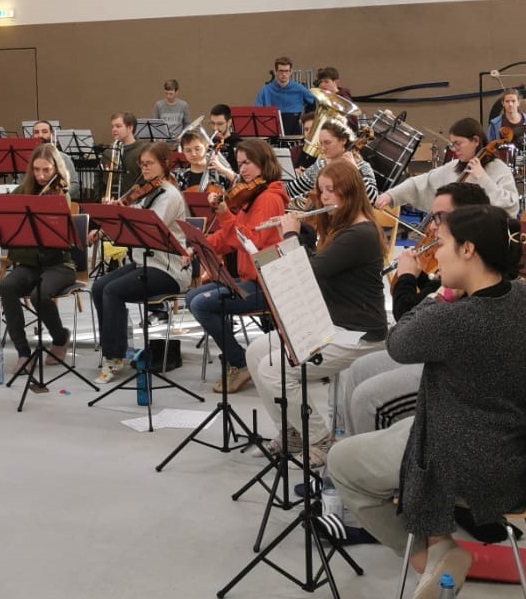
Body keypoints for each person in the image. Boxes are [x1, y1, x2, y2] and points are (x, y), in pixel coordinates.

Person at [330, 204, 526, 594]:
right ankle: (438, 551)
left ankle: (432, 559)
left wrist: (426, 289)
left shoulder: (457, 318)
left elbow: (398, 342)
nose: (437, 254)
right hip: (517, 453)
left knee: (341, 461)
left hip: (465, 460)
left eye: (444, 243)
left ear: (468, 250)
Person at [246, 161, 389, 464]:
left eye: (331, 191)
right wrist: (306, 228)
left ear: (350, 193)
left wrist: (290, 235)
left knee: (274, 370)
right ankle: (293, 431)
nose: (324, 198)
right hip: (330, 322)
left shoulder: (359, 233)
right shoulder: (341, 226)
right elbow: (320, 258)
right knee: (256, 352)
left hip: (358, 334)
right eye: (321, 190)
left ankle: (321, 440)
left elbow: (311, 270)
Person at [334, 182, 490, 438]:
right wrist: (418, 278)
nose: (431, 227)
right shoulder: (456, 266)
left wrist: (406, 277)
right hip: (435, 347)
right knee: (359, 369)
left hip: (451, 369)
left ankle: (361, 467)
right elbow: (428, 300)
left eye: (439, 218)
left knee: (367, 396)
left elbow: (407, 326)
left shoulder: (469, 273)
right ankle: (353, 451)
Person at [186, 139, 286, 393]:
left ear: (264, 163)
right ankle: (239, 360)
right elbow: (228, 237)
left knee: (201, 304)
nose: (242, 169)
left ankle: (240, 363)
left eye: (248, 163)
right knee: (193, 297)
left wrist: (225, 214)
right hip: (251, 280)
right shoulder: (250, 197)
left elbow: (250, 239)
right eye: (240, 163)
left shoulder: (269, 198)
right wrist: (199, 246)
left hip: (269, 284)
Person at [90, 142, 190, 383]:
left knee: (113, 291)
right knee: (99, 286)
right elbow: (132, 215)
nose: (144, 169)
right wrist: (109, 220)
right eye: (142, 164)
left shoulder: (169, 195)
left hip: (169, 269)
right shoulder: (148, 191)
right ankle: (117, 348)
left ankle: (112, 357)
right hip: (143, 263)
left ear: (164, 165)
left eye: (149, 164)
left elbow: (146, 224)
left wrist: (122, 213)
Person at [0, 145, 77, 374]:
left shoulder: (61, 193)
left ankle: (60, 337)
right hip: (29, 264)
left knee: (39, 295)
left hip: (59, 264)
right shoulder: (22, 190)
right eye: (37, 170)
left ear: (56, 170)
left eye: (46, 170)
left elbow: (65, 236)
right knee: (8, 286)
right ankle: (23, 353)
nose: (41, 176)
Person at [378, 118, 520, 216]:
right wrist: (390, 196)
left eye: (458, 143)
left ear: (476, 141)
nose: (454, 149)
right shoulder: (453, 167)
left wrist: (482, 177)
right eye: (452, 144)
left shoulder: (498, 168)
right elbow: (420, 183)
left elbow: (511, 205)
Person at [286, 120, 379, 209]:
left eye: (327, 143)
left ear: (343, 140)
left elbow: (373, 200)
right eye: (321, 144)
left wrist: (356, 171)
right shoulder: (321, 166)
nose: (322, 149)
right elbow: (290, 190)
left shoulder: (362, 167)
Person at [255, 56, 316, 135]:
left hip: (294, 129)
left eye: (287, 71)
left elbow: (312, 103)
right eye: (281, 71)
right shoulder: (266, 90)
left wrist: (306, 119)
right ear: (276, 71)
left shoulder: (300, 89)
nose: (284, 74)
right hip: (271, 130)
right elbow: (257, 111)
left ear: (291, 71)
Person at [487, 89, 526, 160]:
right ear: (503, 103)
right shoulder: (495, 123)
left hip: (523, 162)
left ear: (518, 103)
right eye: (507, 101)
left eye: (513, 101)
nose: (510, 104)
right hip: (501, 163)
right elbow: (490, 145)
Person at [105, 112, 145, 200]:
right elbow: (99, 179)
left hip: (134, 203)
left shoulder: (143, 151)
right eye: (113, 126)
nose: (114, 129)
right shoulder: (108, 152)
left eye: (118, 126)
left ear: (130, 128)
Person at [207, 103, 242, 169]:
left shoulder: (238, 144)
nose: (215, 128)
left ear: (229, 123)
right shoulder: (209, 143)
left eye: (220, 124)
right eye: (212, 123)